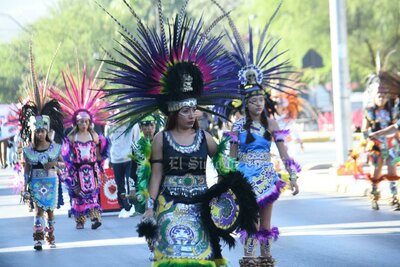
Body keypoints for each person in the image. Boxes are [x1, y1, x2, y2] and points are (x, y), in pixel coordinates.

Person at [100, 2, 257, 265]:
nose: (191, 115)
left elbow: (224, 168)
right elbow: (157, 174)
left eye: (194, 110)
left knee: (202, 259)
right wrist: (150, 205)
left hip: (201, 207)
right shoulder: (162, 139)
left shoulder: (206, 139)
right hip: (169, 206)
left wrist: (232, 191)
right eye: (185, 111)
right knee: (173, 259)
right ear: (174, 113)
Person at [214, 2, 300, 266]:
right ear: (245, 103)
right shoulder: (237, 126)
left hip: (267, 174)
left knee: (266, 220)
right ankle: (248, 257)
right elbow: (231, 158)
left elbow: (284, 152)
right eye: (253, 101)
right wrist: (225, 182)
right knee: (249, 219)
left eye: (261, 100)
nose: (258, 104)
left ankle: (266, 256)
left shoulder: (272, 125)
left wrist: (293, 175)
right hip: (245, 178)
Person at [51, 64, 110, 229]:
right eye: (80, 121)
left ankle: (95, 218)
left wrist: (99, 166)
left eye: (86, 121)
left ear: (90, 122)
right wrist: (68, 170)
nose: (83, 124)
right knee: (78, 196)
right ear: (76, 122)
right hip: (77, 170)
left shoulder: (94, 136)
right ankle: (80, 220)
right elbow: (65, 155)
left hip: (91, 170)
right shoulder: (71, 137)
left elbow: (100, 151)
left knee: (92, 196)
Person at [19, 46, 65, 250]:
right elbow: (27, 168)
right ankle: (38, 238)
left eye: (42, 131)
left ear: (47, 131)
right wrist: (25, 184)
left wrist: (55, 164)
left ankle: (50, 237)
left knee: (50, 212)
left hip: (51, 181)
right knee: (38, 211)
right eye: (37, 131)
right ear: (33, 132)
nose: (40, 134)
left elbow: (62, 164)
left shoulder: (55, 148)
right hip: (36, 183)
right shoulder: (28, 150)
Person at [361, 72, 400, 210]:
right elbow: (364, 131)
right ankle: (374, 196)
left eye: (384, 96)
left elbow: (396, 127)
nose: (382, 98)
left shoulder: (392, 111)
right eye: (379, 95)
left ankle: (394, 197)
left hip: (391, 145)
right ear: (373, 96)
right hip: (376, 147)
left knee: (392, 171)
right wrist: (368, 140)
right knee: (375, 173)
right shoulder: (369, 112)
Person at [106, 120, 140, 216]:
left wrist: (137, 158)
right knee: (119, 184)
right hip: (116, 157)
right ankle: (123, 205)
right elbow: (109, 141)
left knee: (131, 182)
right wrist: (109, 158)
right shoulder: (110, 123)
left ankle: (132, 204)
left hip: (129, 156)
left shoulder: (133, 122)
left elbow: (136, 139)